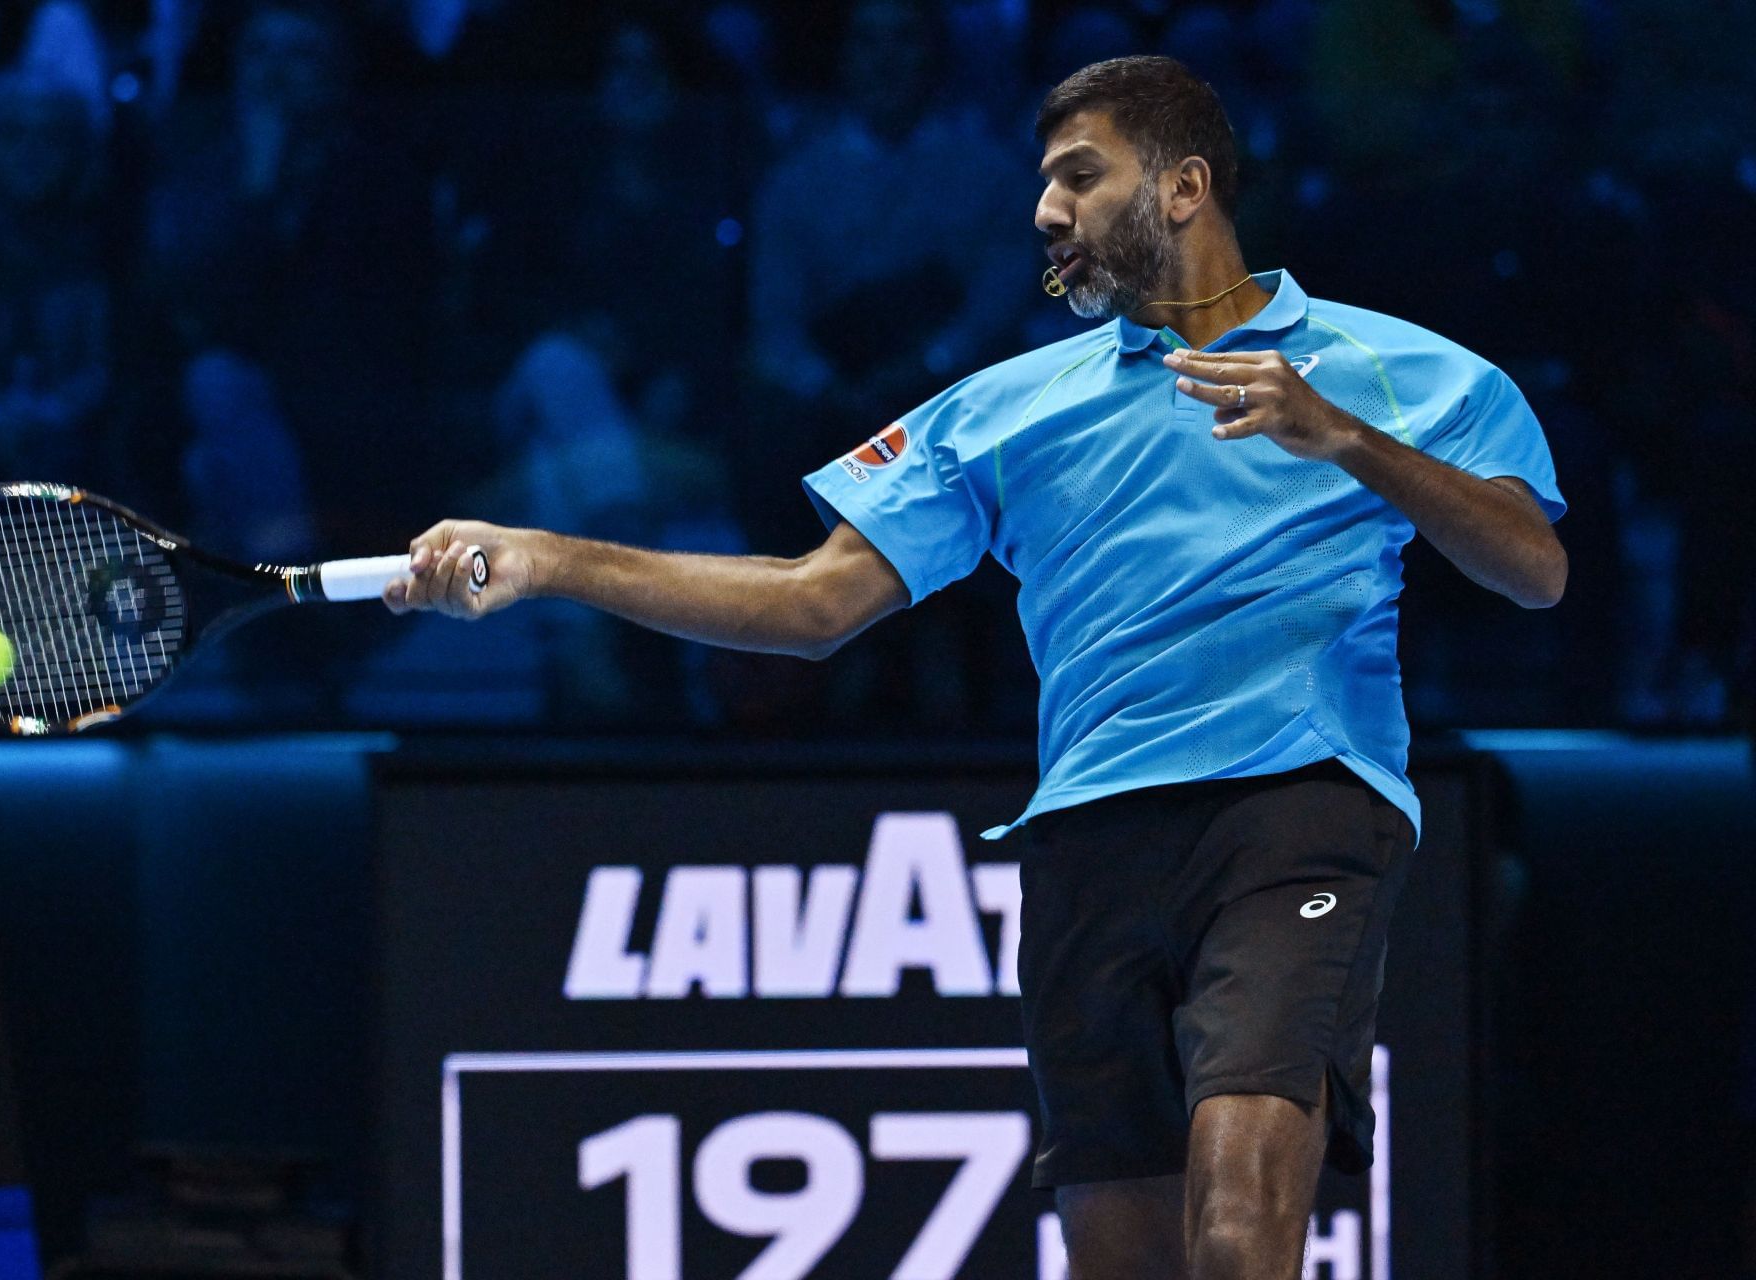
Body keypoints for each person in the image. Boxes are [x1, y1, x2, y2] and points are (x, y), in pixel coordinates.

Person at [384, 56, 1567, 1280]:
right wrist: (549, 558)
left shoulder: (1406, 371)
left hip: (1298, 808)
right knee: (1121, 1262)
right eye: (1044, 184)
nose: (1047, 211)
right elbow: (812, 602)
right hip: (1089, 839)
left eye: (1080, 176)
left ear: (1184, 187)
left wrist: (1348, 439)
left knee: (1236, 1226)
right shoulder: (1003, 410)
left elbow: (1534, 567)